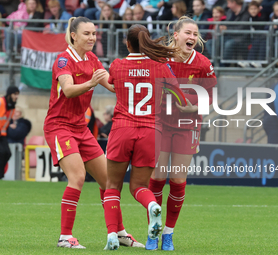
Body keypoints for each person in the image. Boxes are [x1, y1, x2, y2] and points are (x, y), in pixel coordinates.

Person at [43, 17, 143, 249]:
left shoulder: (92, 59)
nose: (92, 38)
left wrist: (135, 87)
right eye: (87, 33)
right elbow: (67, 90)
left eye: (94, 34)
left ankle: (119, 233)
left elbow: (111, 84)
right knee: (77, 177)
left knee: (109, 182)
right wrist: (90, 82)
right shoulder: (63, 60)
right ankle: (65, 237)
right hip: (59, 127)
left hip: (80, 128)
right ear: (74, 35)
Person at [103, 24, 179, 250]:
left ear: (127, 43)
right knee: (138, 186)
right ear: (147, 41)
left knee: (112, 186)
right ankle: (152, 205)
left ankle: (111, 236)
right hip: (150, 131)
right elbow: (177, 94)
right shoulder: (161, 66)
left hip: (122, 129)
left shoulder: (117, 65)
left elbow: (114, 86)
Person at [148, 16, 217, 251]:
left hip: (188, 126)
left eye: (195, 34)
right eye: (188, 33)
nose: (192, 37)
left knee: (177, 180)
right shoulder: (159, 58)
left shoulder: (203, 64)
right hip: (160, 125)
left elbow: (211, 97)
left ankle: (168, 233)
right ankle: (153, 231)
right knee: (156, 179)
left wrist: (194, 106)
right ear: (175, 34)